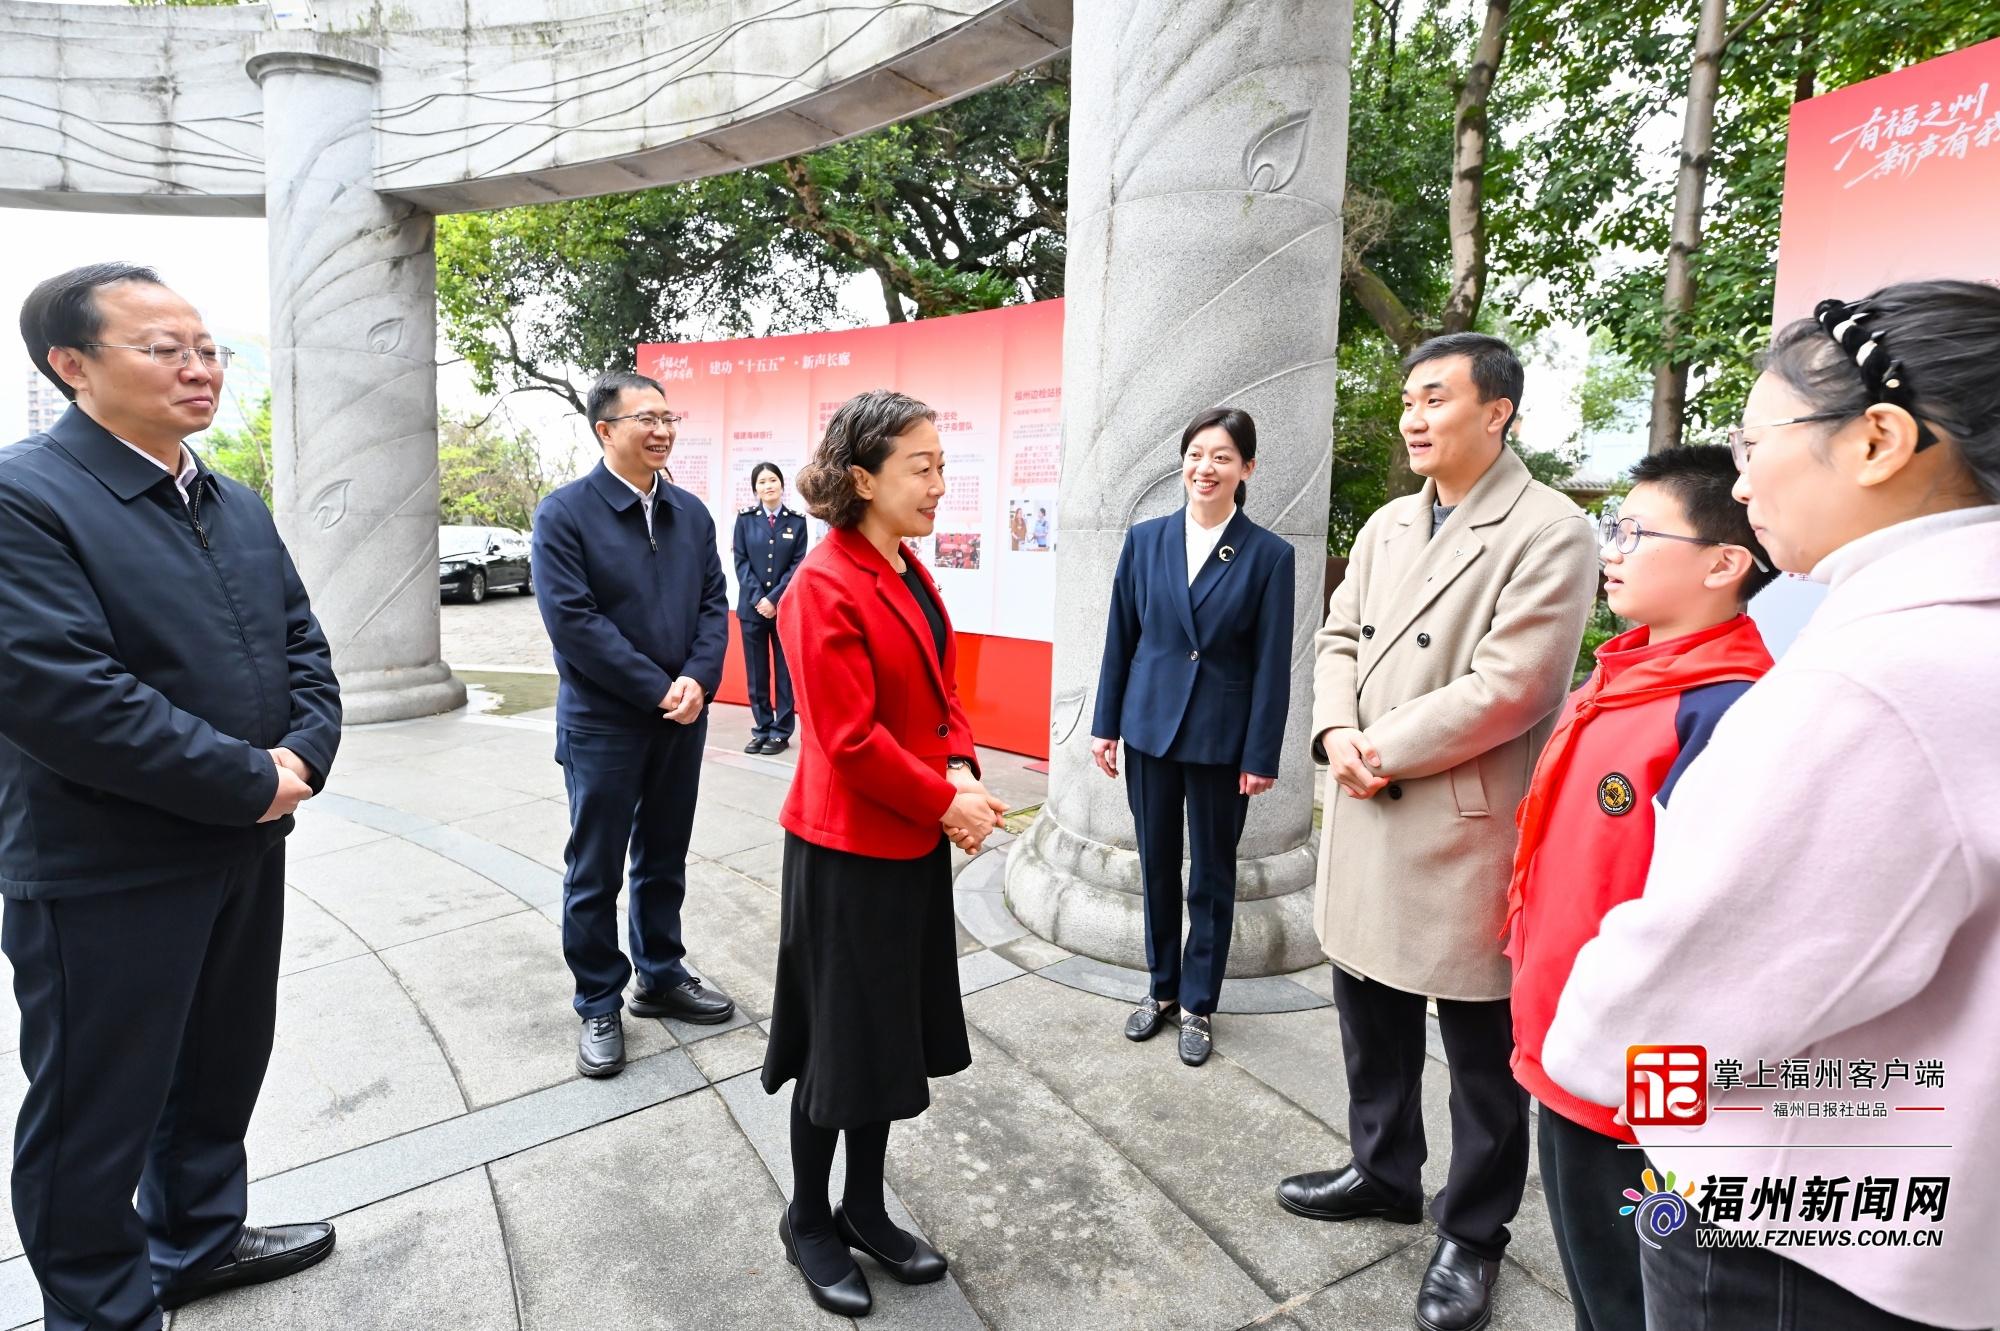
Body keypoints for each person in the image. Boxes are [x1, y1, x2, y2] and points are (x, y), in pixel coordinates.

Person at [1543, 279, 2000, 1331]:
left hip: (1789, 1231)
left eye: (1755, 445)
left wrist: (1588, 1059)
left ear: (1879, 438)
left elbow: (1696, 971)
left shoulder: (1873, 679)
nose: (1741, 481)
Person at [2, 263, 343, 1330]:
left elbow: (303, 645)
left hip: (245, 843)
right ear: (73, 366)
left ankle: (195, 1238)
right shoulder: (25, 497)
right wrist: (251, 777)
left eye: (208, 347)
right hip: (106, 862)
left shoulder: (229, 496)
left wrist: (304, 754)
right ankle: (101, 1309)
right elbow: (64, 692)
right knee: (95, 1109)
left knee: (219, 1063)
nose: (200, 367)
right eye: (164, 347)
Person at [1277, 332, 1599, 1331]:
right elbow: (1334, 634)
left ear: (1495, 411)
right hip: (1367, 795)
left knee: (1479, 1054)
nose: (1411, 416)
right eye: (1406, 400)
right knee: (1366, 1015)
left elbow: (1514, 685)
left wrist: (1378, 747)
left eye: (1433, 398)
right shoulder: (1383, 524)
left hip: (1458, 818)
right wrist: (1335, 729)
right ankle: (1380, 1170)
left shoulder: (1548, 528)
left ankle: (1472, 1229)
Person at [1505, 446, 1776, 1331]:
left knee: (1629, 1293)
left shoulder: (1726, 710)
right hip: (1567, 1045)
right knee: (1595, 1279)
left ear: (1723, 562)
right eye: (1608, 528)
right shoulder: (1628, 675)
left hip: (1634, 1090)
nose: (1610, 547)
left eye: (1633, 530)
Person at [759, 389, 1007, 1318]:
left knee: (886, 1038)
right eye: (923, 466)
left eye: (942, 464)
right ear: (862, 478)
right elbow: (850, 740)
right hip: (846, 854)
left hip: (906, 842)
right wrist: (953, 804)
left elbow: (941, 691)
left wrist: (958, 767)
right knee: (836, 1043)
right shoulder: (825, 583)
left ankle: (864, 1205)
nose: (941, 483)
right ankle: (809, 1218)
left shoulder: (903, 568)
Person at [532, 371, 737, 1080]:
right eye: (645, 417)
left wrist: (699, 680)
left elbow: (715, 604)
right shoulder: (564, 514)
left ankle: (660, 971)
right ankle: (597, 997)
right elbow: (574, 624)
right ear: (604, 430)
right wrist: (659, 688)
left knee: (663, 852)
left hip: (682, 716)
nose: (662, 429)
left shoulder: (692, 514)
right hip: (604, 724)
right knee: (594, 868)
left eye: (669, 416)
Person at [1089, 406, 1295, 1067]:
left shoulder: (1269, 555)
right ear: (1184, 461)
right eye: (1197, 454)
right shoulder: (1146, 539)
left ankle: (1199, 1002)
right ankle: (1160, 990)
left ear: (1247, 469)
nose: (1206, 467)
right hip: (1148, 730)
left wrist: (1262, 753)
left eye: (1223, 457)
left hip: (1221, 742)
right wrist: (1105, 724)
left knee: (1210, 876)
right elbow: (1121, 635)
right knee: (1155, 867)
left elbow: (1272, 665)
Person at [732, 461, 808, 755]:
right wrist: (758, 600)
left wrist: (774, 599)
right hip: (752, 610)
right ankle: (762, 728)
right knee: (757, 673)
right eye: (762, 482)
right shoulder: (745, 519)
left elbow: (797, 564)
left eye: (773, 480)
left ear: (781, 484)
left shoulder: (797, 521)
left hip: (784, 609)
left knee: (784, 672)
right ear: (756, 489)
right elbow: (741, 562)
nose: (768, 486)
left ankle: (781, 732)